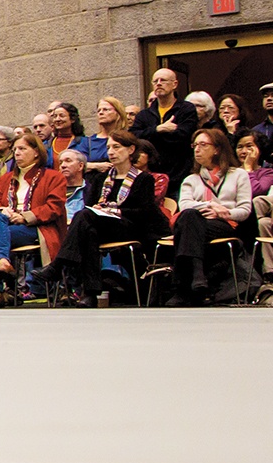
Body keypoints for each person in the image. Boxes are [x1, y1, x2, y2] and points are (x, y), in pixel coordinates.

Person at [41, 135, 165, 307]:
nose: (111, 152)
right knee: (88, 230)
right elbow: (90, 205)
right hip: (102, 225)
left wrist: (112, 210)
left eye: (117, 147)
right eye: (109, 148)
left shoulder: (144, 179)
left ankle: (59, 265)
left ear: (131, 150)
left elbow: (144, 212)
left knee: (84, 217)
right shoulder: (101, 178)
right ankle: (90, 294)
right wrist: (100, 211)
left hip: (131, 226)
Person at [0, 131, 66, 308]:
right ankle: (3, 266)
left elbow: (54, 208)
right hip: (7, 226)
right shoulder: (6, 179)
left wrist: (24, 217)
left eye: (22, 148)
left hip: (38, 228)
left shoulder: (54, 177)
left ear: (36, 152)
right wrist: (5, 211)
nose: (16, 153)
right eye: (15, 149)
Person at [167, 128, 251, 306]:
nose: (197, 149)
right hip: (197, 222)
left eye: (203, 145)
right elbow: (184, 205)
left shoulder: (238, 175)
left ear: (217, 149)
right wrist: (209, 206)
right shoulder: (191, 179)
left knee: (187, 225)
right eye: (195, 145)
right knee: (190, 217)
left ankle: (182, 286)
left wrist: (223, 212)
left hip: (224, 224)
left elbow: (244, 209)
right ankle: (198, 278)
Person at [131, 68, 199, 195]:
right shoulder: (144, 115)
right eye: (155, 81)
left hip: (179, 173)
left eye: (163, 80)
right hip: (152, 175)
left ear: (175, 84)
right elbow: (134, 137)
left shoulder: (186, 109)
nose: (159, 83)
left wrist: (150, 137)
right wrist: (158, 129)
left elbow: (184, 136)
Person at [49, 101, 106, 171]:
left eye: (62, 116)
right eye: (55, 116)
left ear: (72, 119)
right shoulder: (46, 145)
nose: (57, 119)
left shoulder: (86, 142)